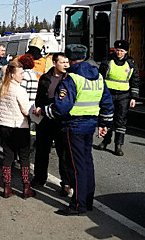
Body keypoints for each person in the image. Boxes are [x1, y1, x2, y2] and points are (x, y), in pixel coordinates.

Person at [41, 44, 114, 216]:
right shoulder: (98, 77)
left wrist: (44, 111)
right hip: (89, 125)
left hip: (73, 126)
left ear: (70, 59)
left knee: (76, 166)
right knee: (87, 164)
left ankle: (78, 205)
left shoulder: (71, 79)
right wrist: (104, 124)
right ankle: (88, 201)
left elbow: (62, 107)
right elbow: (107, 103)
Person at [32, 53, 72, 196]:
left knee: (64, 154)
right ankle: (39, 179)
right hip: (46, 121)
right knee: (42, 151)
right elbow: (39, 99)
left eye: (67, 62)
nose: (66, 65)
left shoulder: (69, 79)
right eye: (63, 62)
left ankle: (66, 183)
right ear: (55, 63)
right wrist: (39, 110)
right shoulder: (45, 78)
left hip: (61, 121)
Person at [0, 60, 36, 199]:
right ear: (12, 75)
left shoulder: (2, 87)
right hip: (18, 127)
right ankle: (26, 186)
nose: (23, 75)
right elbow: (26, 111)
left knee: (7, 156)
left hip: (3, 125)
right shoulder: (19, 90)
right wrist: (35, 111)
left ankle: (7, 187)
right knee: (24, 157)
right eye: (20, 73)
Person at [96, 40, 138, 156]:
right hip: (108, 95)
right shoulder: (107, 61)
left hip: (124, 96)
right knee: (107, 118)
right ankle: (105, 140)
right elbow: (100, 77)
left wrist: (133, 97)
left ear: (126, 52)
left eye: (122, 51)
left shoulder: (131, 63)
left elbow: (134, 80)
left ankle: (118, 145)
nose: (119, 52)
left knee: (121, 121)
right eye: (117, 50)